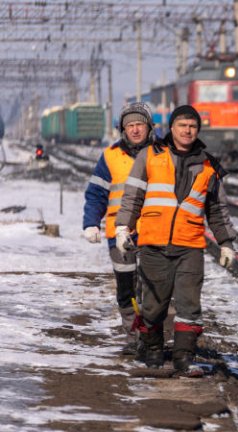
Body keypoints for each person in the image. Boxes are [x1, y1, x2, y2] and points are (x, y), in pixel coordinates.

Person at [114, 105, 237, 375]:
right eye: (182, 125)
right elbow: (132, 197)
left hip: (190, 246)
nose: (187, 130)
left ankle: (184, 359)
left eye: (193, 126)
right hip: (153, 244)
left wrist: (226, 242)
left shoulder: (208, 166)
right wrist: (123, 228)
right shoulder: (149, 156)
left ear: (198, 130)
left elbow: (216, 209)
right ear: (172, 128)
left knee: (189, 305)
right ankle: (154, 352)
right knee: (153, 306)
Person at [82, 102, 155, 354]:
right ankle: (134, 337)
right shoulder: (111, 156)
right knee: (127, 289)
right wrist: (91, 222)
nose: (135, 130)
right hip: (119, 235)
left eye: (140, 125)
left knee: (153, 290)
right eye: (130, 125)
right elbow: (96, 193)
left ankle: (151, 340)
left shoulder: (162, 153)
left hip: (155, 233)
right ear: (122, 129)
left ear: (149, 127)